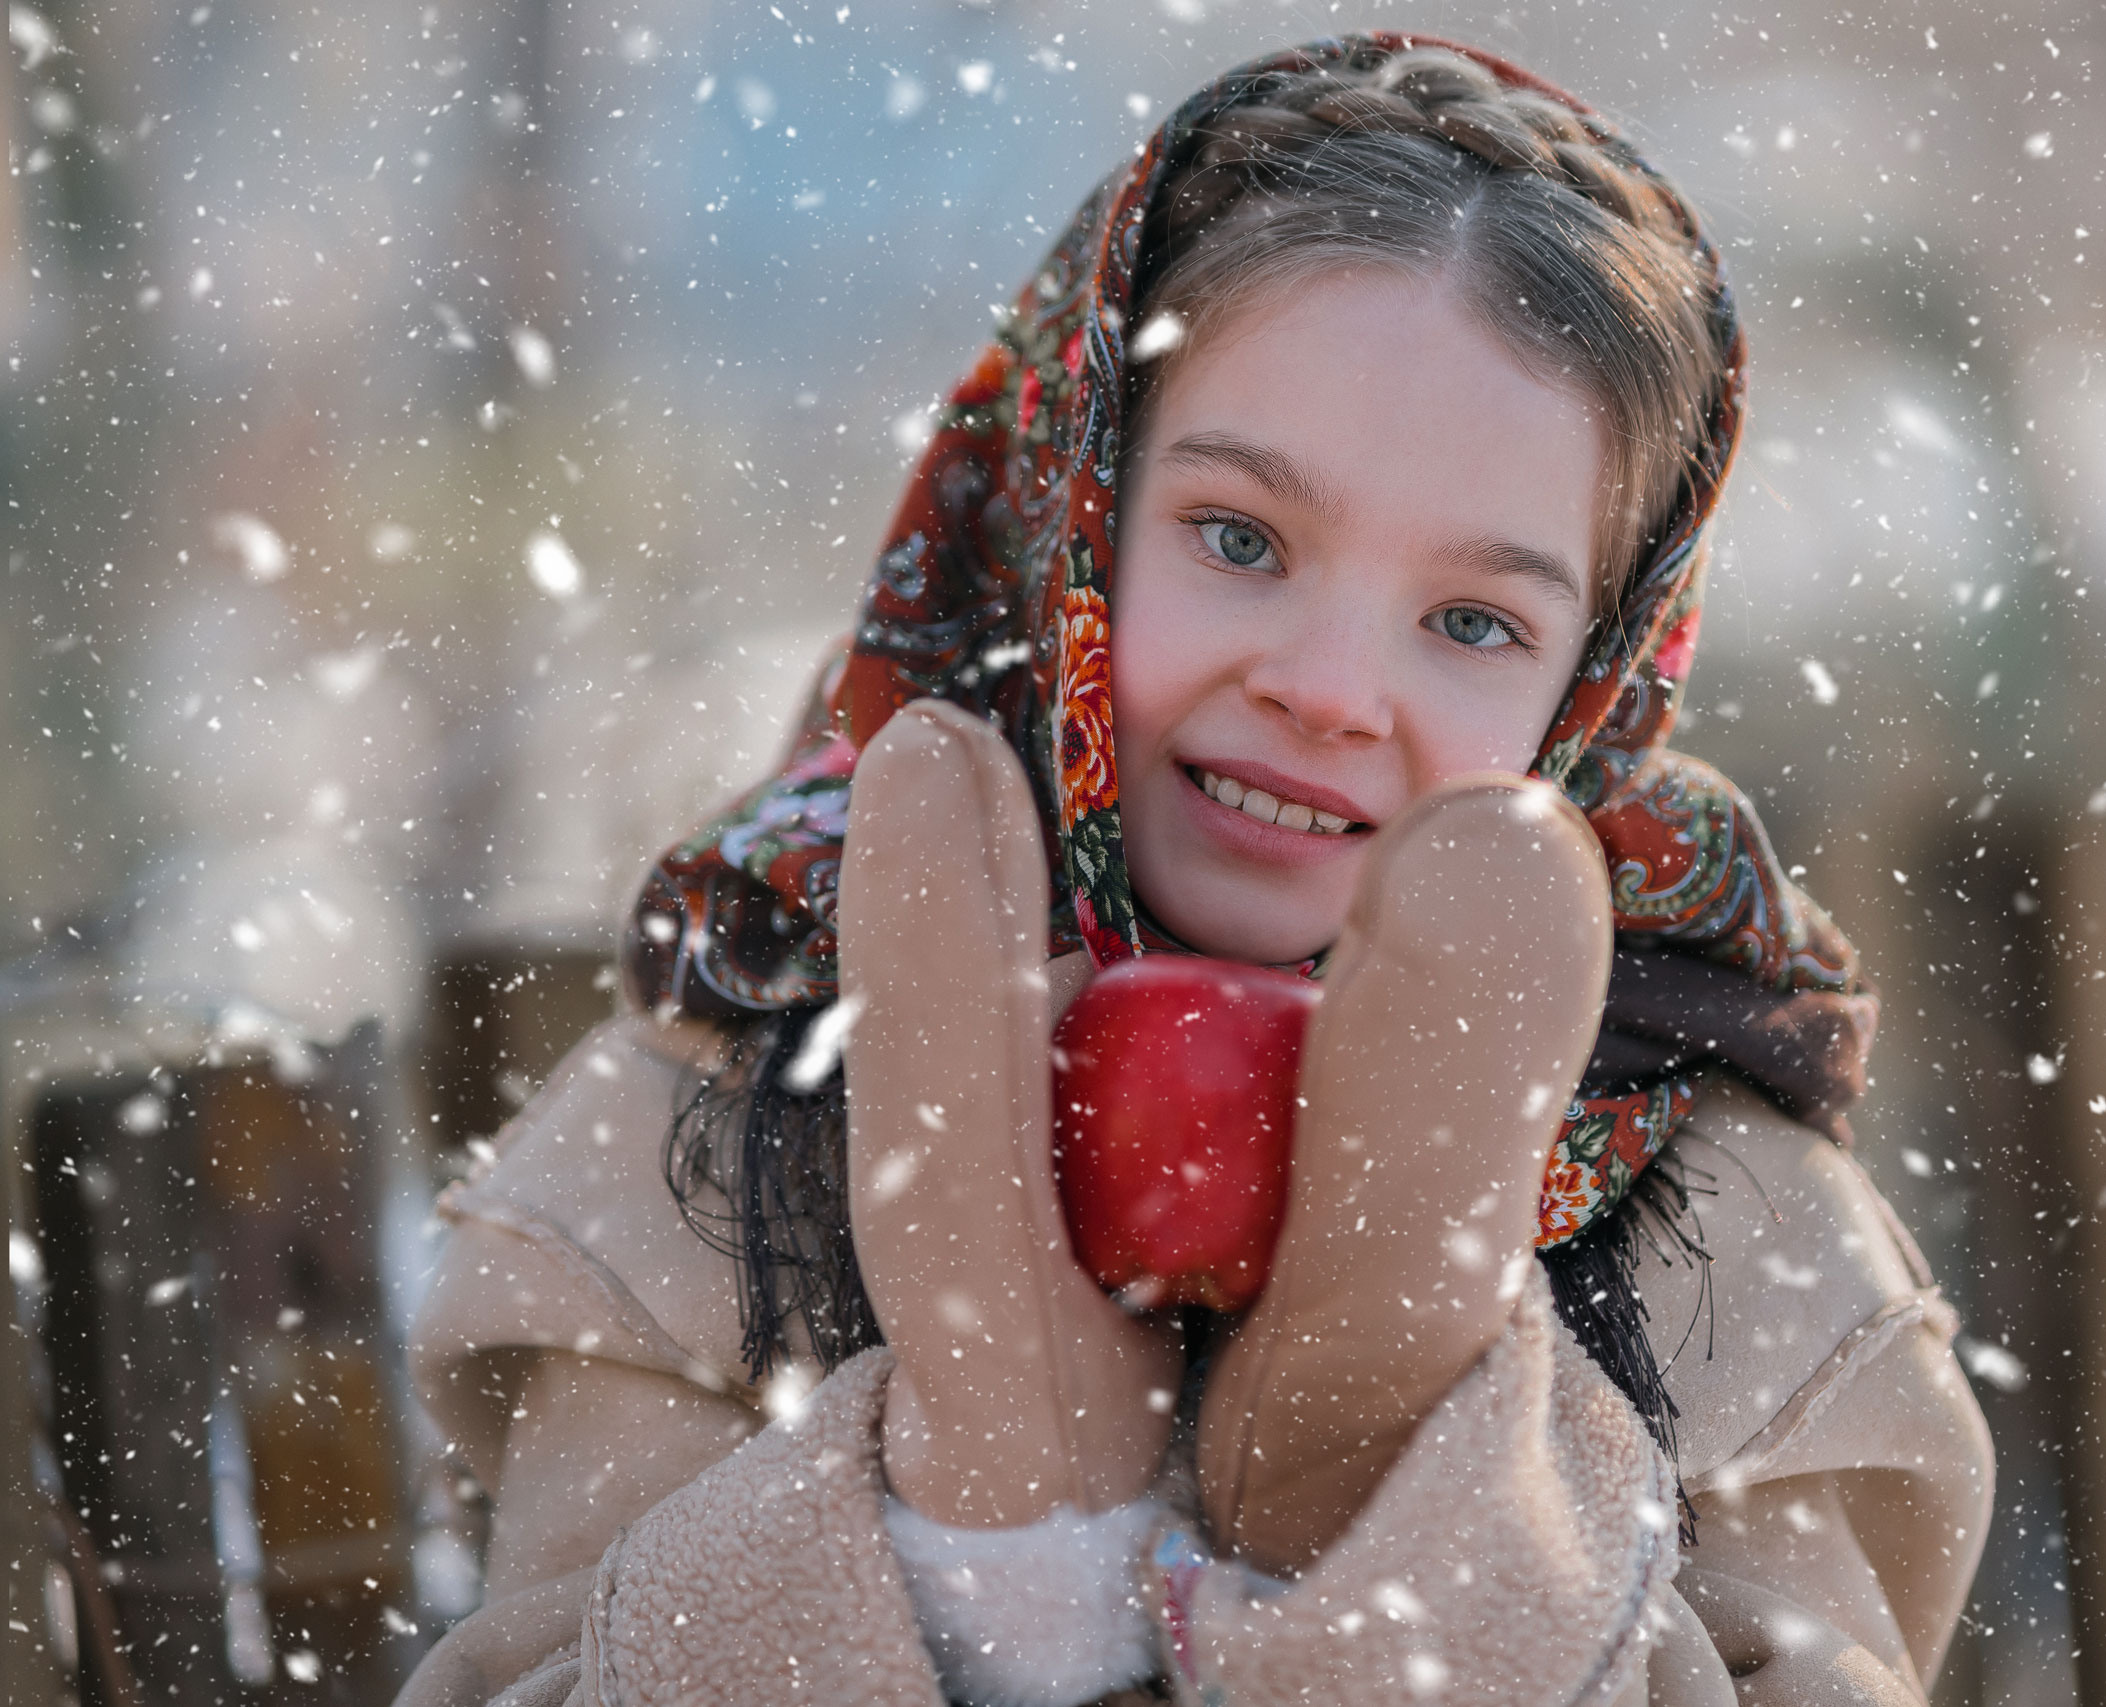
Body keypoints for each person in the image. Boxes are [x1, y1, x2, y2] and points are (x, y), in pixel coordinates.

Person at [392, 35, 1993, 1707]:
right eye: (1240, 539)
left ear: (1597, 675)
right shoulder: (718, 1147)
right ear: (1069, 510)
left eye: (1471, 622)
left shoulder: (1724, 1234)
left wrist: (1409, 1480)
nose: (1330, 688)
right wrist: (973, 1512)